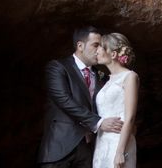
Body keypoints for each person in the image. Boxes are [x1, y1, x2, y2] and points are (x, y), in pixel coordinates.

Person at [38, 26, 124, 167]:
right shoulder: (58, 67)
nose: (99, 50)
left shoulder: (101, 75)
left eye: (101, 46)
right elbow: (63, 100)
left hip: (88, 149)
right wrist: (99, 122)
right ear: (80, 46)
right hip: (59, 147)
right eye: (95, 45)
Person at [93, 33, 139, 168]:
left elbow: (130, 117)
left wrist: (120, 152)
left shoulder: (130, 76)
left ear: (113, 54)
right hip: (102, 142)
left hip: (119, 142)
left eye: (101, 47)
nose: (97, 50)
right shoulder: (107, 80)